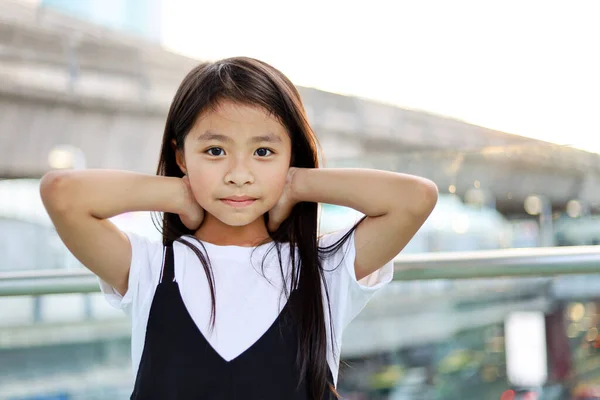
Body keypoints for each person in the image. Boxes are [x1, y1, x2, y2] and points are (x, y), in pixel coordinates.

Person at [40, 57, 438, 400]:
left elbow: (415, 198)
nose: (239, 175)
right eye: (215, 151)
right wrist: (179, 195)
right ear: (181, 155)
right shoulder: (152, 266)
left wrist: (298, 184)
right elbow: (62, 193)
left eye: (264, 152)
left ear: (290, 157)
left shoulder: (324, 267)